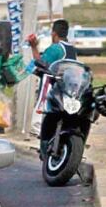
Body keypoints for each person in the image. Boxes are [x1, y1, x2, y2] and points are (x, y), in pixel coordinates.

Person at [25, 19, 78, 157]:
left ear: (54, 33)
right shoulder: (71, 49)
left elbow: (39, 64)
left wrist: (33, 47)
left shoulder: (55, 48)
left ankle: (44, 145)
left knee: (42, 120)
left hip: (52, 89)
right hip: (68, 90)